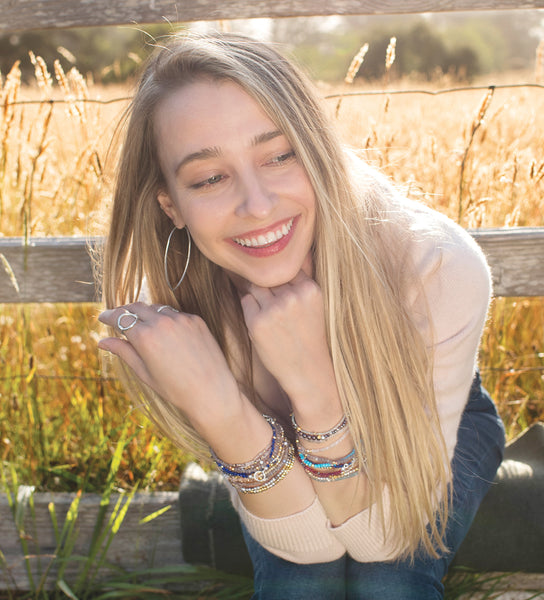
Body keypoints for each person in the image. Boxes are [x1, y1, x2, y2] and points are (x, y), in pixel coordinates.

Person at [98, 31, 505, 599]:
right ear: (172, 205)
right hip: (274, 447)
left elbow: (383, 540)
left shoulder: (434, 265)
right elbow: (308, 548)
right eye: (210, 177)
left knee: (388, 578)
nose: (257, 204)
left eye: (281, 154)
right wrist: (221, 409)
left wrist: (314, 385)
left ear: (319, 152)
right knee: (300, 582)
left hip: (434, 417)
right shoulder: (174, 315)